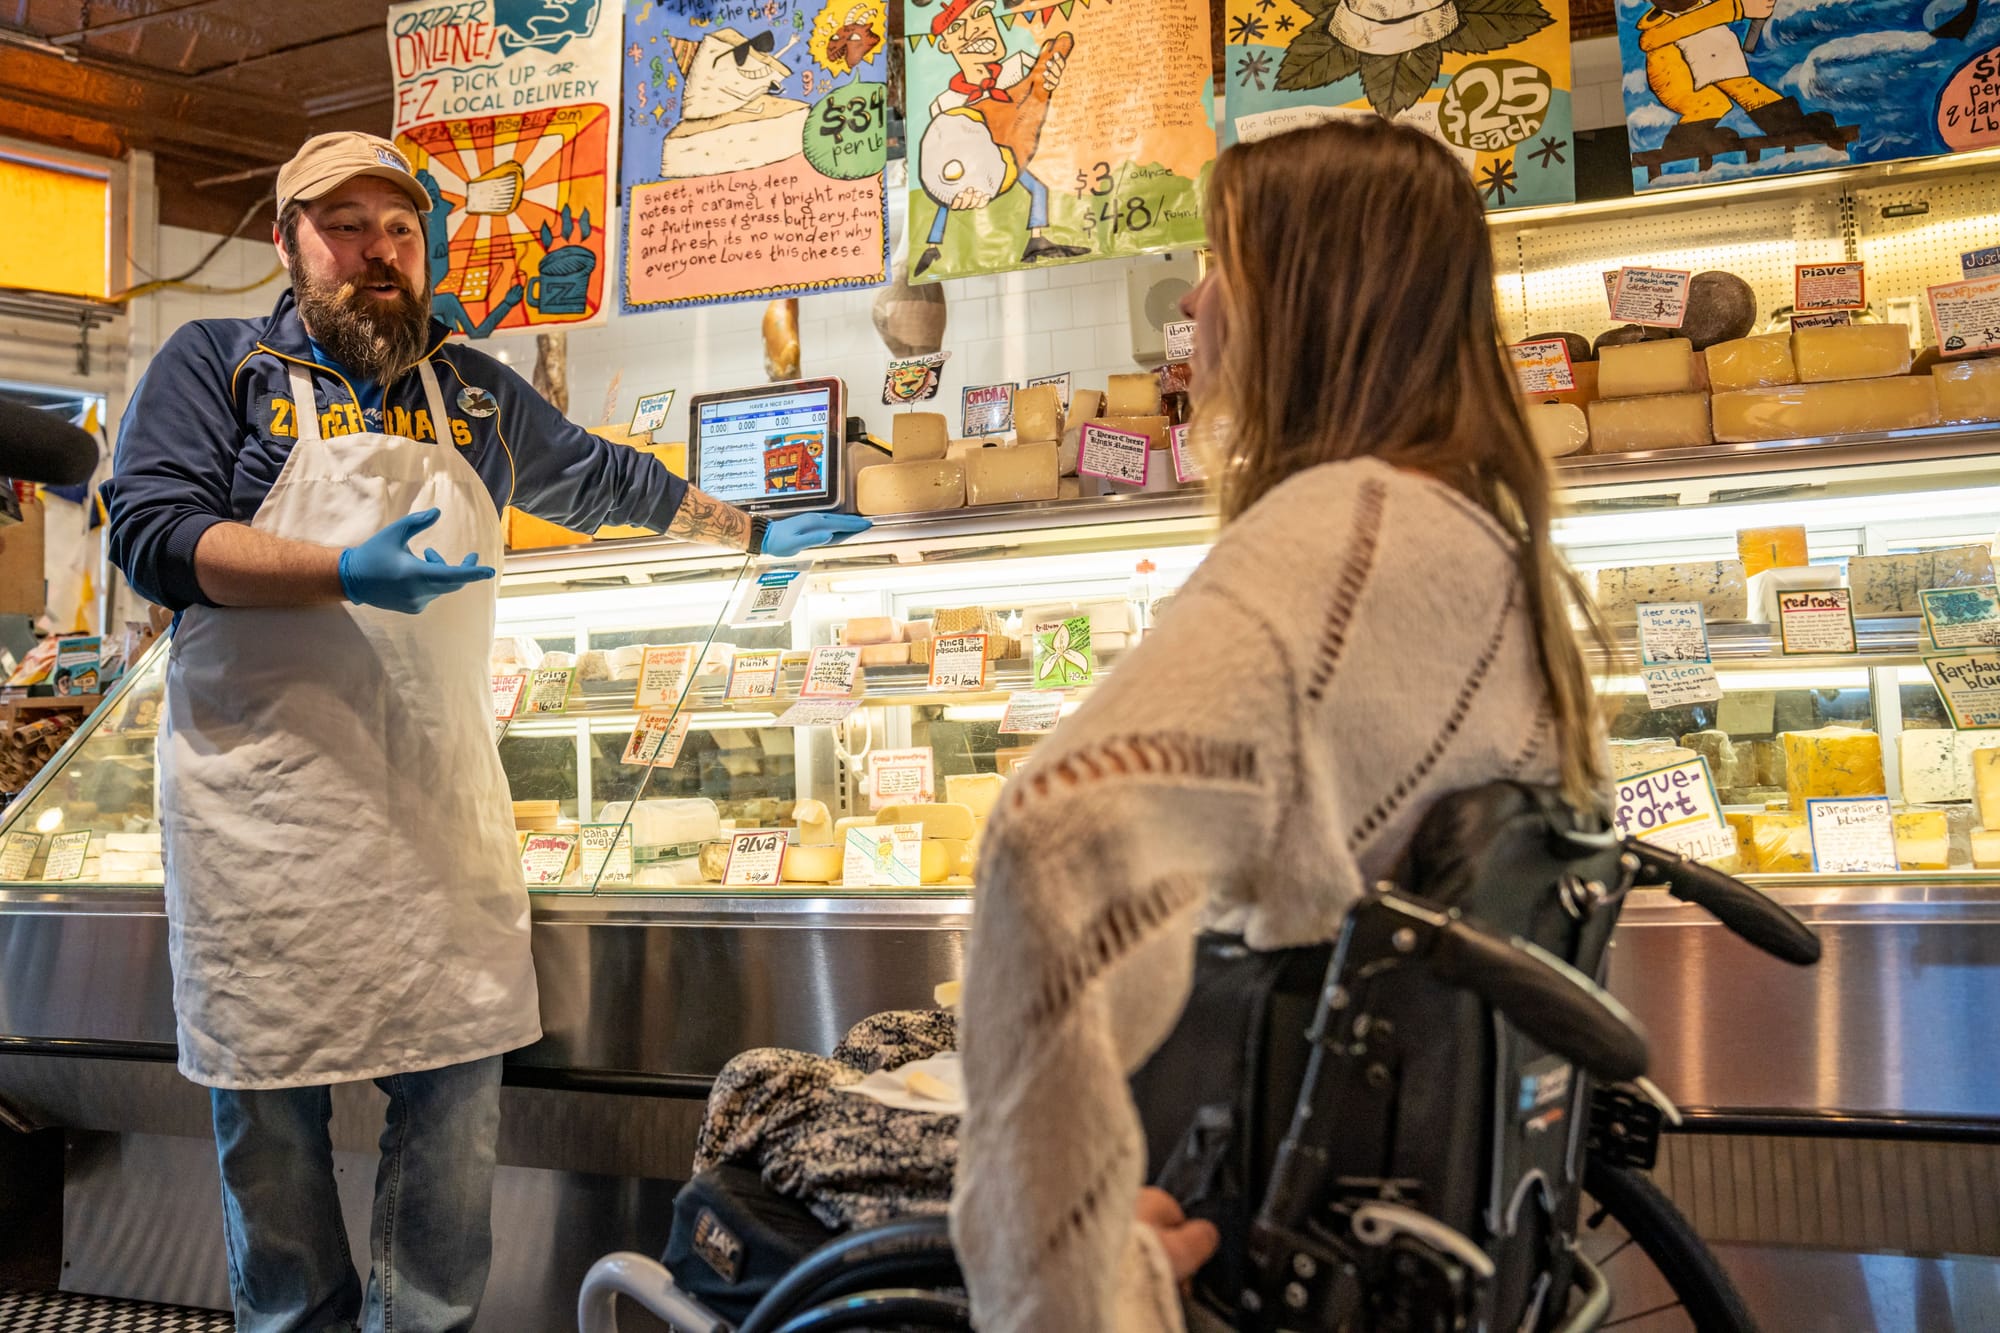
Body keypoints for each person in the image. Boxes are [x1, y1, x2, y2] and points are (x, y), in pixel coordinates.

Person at [102, 130, 868, 1333]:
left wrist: (747, 529)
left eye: (398, 230)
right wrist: (336, 569)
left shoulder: (470, 389)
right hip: (265, 822)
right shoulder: (218, 364)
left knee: (452, 1124)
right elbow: (151, 533)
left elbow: (609, 481)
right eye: (345, 228)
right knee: (275, 1136)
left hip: (430, 814)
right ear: (288, 242)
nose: (377, 253)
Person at [948, 116, 1610, 1332]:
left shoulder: (1332, 537)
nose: (1193, 300)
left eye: (1220, 261)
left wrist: (1075, 1263)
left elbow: (1048, 833)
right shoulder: (1478, 532)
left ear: (1310, 303)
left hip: (1256, 1182)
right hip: (1425, 1175)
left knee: (786, 1104)